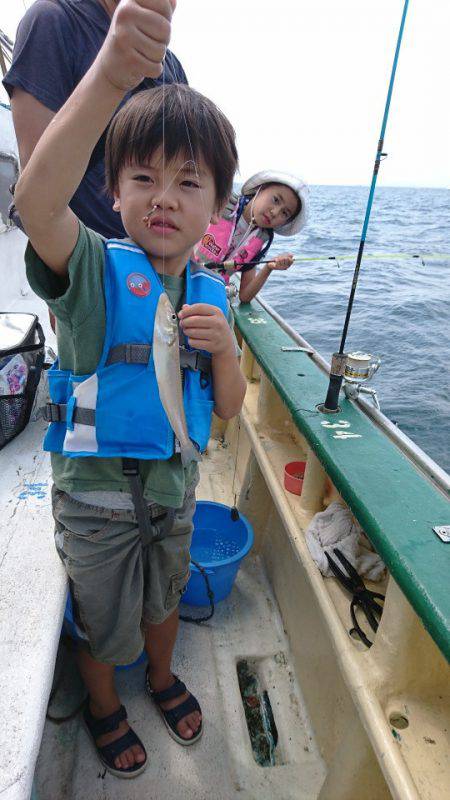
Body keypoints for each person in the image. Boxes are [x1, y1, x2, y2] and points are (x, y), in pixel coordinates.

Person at [15, 0, 245, 779]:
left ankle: (160, 672)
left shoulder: (213, 296)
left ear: (216, 209)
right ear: (112, 190)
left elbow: (230, 412)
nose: (164, 196)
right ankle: (107, 705)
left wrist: (228, 357)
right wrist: (113, 72)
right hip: (95, 503)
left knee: (163, 600)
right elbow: (35, 202)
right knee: (101, 617)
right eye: (142, 177)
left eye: (189, 182)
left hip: (175, 492)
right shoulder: (88, 271)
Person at [3, 0, 187, 239]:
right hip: (83, 262)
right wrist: (110, 77)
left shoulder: (172, 68)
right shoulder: (52, 19)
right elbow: (35, 199)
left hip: (154, 268)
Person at [192, 170, 309, 302]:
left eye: (285, 213)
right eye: (275, 200)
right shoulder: (221, 204)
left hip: (207, 295)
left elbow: (245, 296)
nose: (275, 212)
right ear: (261, 189)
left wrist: (269, 267)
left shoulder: (259, 239)